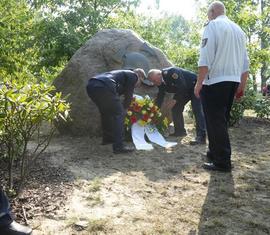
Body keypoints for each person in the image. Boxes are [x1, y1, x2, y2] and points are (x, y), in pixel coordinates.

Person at [194, 1, 249, 172]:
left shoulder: (212, 25)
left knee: (215, 121)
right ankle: (214, 152)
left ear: (211, 12)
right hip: (232, 80)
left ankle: (223, 161)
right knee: (219, 120)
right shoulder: (238, 30)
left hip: (215, 80)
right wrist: (242, 85)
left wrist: (199, 83)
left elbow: (206, 57)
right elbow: (245, 62)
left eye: (207, 14)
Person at [86, 68, 146, 154]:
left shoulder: (121, 75)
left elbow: (116, 95)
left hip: (91, 85)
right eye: (140, 83)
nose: (138, 86)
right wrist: (124, 109)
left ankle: (108, 139)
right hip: (104, 86)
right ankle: (119, 147)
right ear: (140, 77)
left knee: (106, 112)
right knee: (119, 114)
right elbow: (129, 96)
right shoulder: (133, 75)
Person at [147, 67, 206, 145]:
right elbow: (160, 95)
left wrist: (174, 100)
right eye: (152, 81)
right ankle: (180, 131)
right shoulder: (160, 82)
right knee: (176, 109)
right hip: (185, 91)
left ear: (159, 74)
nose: (154, 83)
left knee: (197, 109)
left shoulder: (171, 72)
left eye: (154, 80)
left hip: (195, 86)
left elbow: (182, 86)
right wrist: (155, 109)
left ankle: (201, 137)